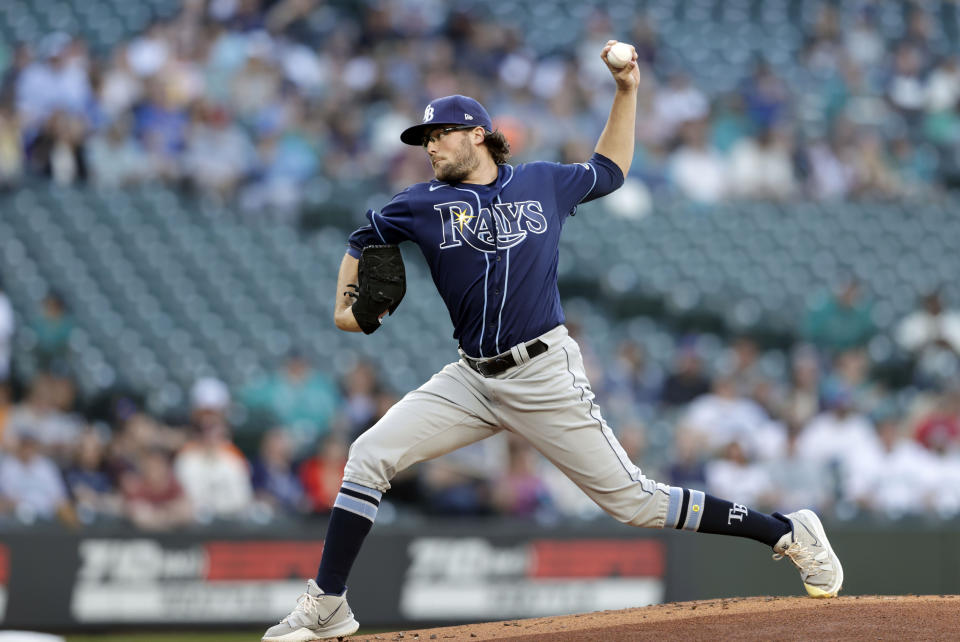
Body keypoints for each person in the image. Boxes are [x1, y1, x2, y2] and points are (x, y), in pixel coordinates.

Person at [262, 42, 844, 642]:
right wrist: (343, 307)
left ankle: (785, 532)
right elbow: (362, 240)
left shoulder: (543, 182)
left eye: (440, 133)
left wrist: (626, 91)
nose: (429, 145)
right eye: (424, 138)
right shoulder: (418, 204)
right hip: (471, 378)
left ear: (480, 135)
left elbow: (611, 169)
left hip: (543, 373)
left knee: (635, 503)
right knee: (367, 456)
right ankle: (328, 603)